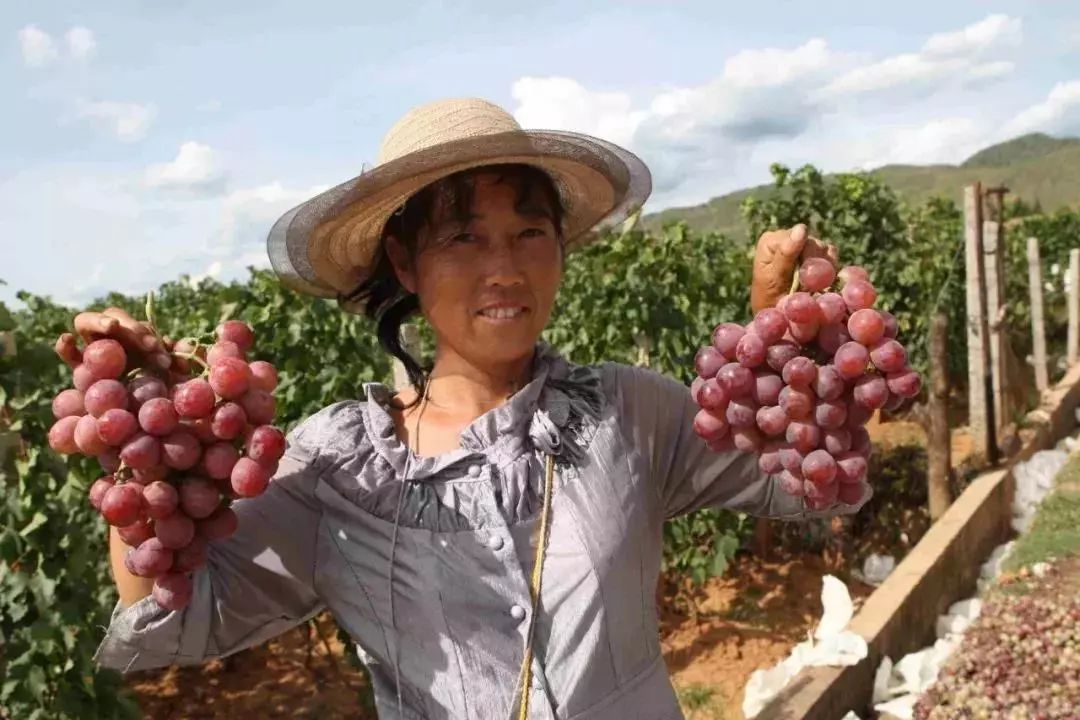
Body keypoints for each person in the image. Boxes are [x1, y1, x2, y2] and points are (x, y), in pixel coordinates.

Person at [58, 97, 865, 719]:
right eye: (463, 240)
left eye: (529, 233)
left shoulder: (629, 411)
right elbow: (174, 619)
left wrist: (783, 337)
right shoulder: (335, 467)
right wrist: (136, 449)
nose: (505, 269)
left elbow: (804, 483)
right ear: (404, 262)